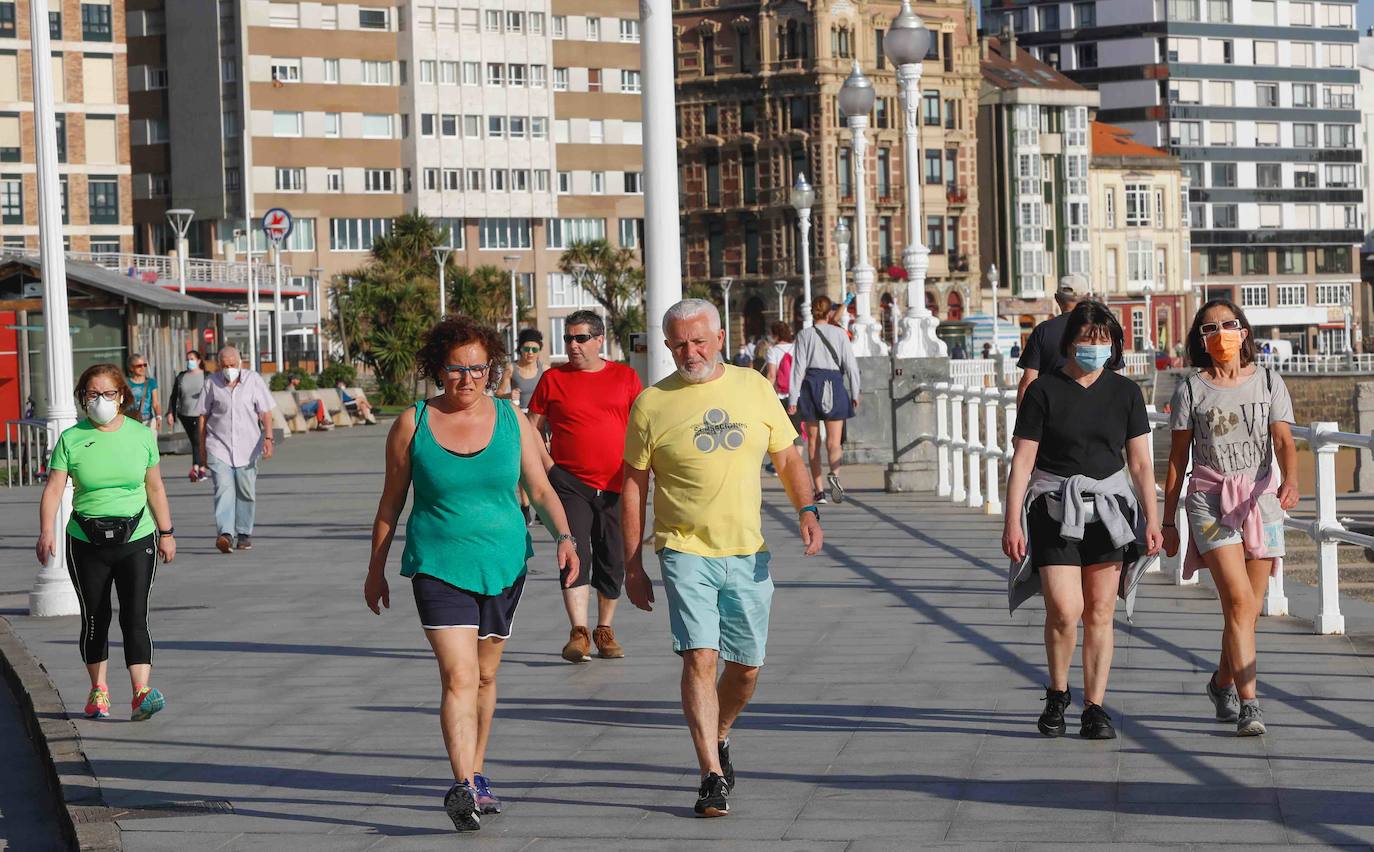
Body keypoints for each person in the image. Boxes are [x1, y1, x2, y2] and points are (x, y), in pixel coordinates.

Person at [365, 316, 579, 832]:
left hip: (505, 563)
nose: (468, 379)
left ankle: (478, 772)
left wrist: (566, 539)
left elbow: (543, 491)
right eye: (457, 369)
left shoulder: (512, 419)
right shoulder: (412, 423)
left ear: (492, 368)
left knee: (485, 675)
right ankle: (461, 784)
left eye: (478, 369)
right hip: (437, 564)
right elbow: (391, 502)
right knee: (459, 676)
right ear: (439, 369)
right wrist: (376, 568)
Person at [621, 298, 823, 817]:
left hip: (747, 551)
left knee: (747, 669)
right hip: (683, 548)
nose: (691, 352)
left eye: (699, 340)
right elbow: (633, 485)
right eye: (680, 344)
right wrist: (631, 564)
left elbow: (786, 456)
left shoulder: (754, 386)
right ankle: (710, 774)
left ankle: (722, 732)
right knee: (700, 657)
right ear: (667, 346)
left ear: (720, 336)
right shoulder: (651, 403)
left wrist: (806, 508)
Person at [1002, 301, 1162, 740]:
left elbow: (1142, 464)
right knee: (1064, 609)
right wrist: (1012, 521)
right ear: (1070, 342)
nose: (1096, 349)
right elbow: (1023, 461)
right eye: (1087, 341)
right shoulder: (1043, 392)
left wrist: (1153, 519)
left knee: (1101, 610)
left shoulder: (1126, 392)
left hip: (1110, 510)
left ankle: (1095, 707)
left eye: (1104, 341)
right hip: (1054, 506)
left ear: (1114, 345)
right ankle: (1057, 693)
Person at [1162, 299, 1298, 737]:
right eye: (1209, 328)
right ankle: (1250, 703)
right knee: (1239, 603)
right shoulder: (1190, 390)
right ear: (1199, 340)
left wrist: (1290, 481)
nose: (1220, 333)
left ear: (1243, 331)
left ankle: (1221, 683)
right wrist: (1167, 521)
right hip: (1209, 499)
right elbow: (1176, 459)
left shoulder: (1270, 382)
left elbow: (1284, 441)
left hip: (1260, 499)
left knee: (1249, 610)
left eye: (1228, 324)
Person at [36, 363, 176, 722]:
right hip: (86, 539)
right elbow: (53, 488)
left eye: (108, 393)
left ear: (122, 396)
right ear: (83, 398)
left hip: (138, 535)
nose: (101, 400)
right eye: (93, 394)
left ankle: (140, 693)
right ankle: (98, 691)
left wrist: (167, 531)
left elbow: (155, 487)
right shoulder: (72, 438)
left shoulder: (141, 435)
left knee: (135, 614)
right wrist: (46, 531)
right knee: (95, 616)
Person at [527, 310, 642, 662]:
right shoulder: (553, 379)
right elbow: (531, 427)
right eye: (567, 339)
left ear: (599, 340)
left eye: (580, 339)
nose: (572, 346)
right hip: (569, 483)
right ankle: (578, 632)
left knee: (612, 557)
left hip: (616, 484)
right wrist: (549, 467)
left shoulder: (625, 377)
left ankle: (604, 629)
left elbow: (643, 425)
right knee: (572, 552)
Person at [196, 346, 275, 553]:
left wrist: (268, 437)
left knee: (246, 491)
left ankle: (243, 533)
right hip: (218, 445)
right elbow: (203, 416)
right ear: (219, 365)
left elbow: (265, 412)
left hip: (248, 447)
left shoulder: (253, 380)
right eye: (224, 365)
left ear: (240, 363)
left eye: (232, 365)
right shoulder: (211, 382)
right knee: (223, 490)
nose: (228, 369)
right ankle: (225, 534)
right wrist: (201, 448)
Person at [787, 295, 860, 505]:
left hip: (811, 385)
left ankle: (818, 491)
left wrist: (793, 398)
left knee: (813, 442)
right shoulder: (839, 334)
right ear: (829, 313)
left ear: (812, 313)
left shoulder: (804, 335)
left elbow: (797, 368)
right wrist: (855, 393)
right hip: (834, 384)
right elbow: (851, 366)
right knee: (834, 442)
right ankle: (835, 477)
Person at [1016, 279, 1083, 404]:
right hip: (1096, 413)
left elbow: (1028, 382)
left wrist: (1022, 420)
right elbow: (1115, 377)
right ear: (1087, 298)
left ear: (1057, 299)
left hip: (1052, 411)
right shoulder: (1101, 331)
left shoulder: (1043, 331)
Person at [166, 350, 209, 482]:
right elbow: (174, 396)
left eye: (192, 358)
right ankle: (200, 467)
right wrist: (170, 412)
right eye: (188, 359)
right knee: (194, 440)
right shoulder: (181, 377)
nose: (189, 361)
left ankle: (198, 468)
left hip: (201, 414)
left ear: (198, 361)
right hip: (185, 414)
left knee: (197, 440)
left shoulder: (206, 376)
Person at [507, 328, 545, 412]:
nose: (530, 352)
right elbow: (498, 394)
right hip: (519, 417)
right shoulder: (511, 368)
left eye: (534, 350)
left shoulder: (545, 370)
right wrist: (509, 395)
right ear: (520, 349)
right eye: (527, 349)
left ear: (539, 351)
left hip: (539, 419)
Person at [125, 353, 161, 431]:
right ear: (131, 368)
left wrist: (158, 417)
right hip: (130, 421)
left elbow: (155, 403)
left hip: (148, 421)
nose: (143, 368)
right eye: (139, 366)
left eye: (144, 365)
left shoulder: (151, 382)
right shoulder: (125, 383)